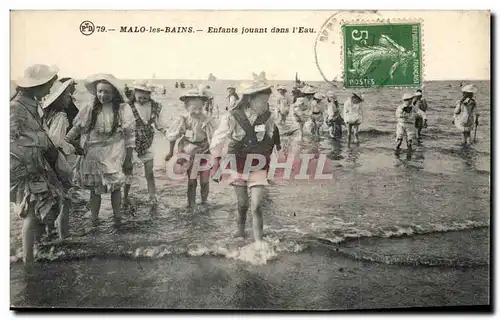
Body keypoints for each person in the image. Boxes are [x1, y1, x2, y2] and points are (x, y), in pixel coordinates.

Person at [11, 64, 71, 263]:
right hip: (26, 168)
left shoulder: (30, 103)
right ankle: (28, 260)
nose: (50, 89)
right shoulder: (16, 107)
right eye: (49, 84)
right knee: (32, 212)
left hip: (36, 164)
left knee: (42, 206)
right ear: (37, 86)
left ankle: (35, 249)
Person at [210, 81, 281, 242]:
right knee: (243, 204)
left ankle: (258, 242)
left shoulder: (268, 117)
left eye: (267, 101)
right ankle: (240, 230)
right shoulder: (232, 116)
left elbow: (270, 139)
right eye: (262, 101)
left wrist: (272, 163)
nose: (265, 105)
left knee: (256, 205)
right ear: (250, 100)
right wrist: (216, 165)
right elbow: (217, 140)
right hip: (238, 164)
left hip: (258, 165)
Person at [66, 74, 135, 225]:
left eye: (107, 92)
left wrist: (128, 159)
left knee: (115, 186)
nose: (103, 95)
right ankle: (94, 218)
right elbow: (76, 128)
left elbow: (130, 137)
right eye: (100, 92)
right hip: (94, 154)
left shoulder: (123, 109)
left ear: (115, 93)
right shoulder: (90, 108)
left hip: (114, 153)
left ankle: (117, 217)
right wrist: (66, 141)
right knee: (95, 189)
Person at [41, 79, 83, 239]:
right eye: (66, 96)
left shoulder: (47, 115)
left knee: (51, 200)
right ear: (58, 99)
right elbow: (56, 142)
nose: (69, 98)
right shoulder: (61, 116)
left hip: (45, 163)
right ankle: (64, 235)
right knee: (65, 200)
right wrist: (72, 147)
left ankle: (48, 233)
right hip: (57, 162)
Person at [165, 85, 216, 209]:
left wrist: (216, 155)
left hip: (205, 151)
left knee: (204, 181)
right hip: (189, 152)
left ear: (204, 106)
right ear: (187, 107)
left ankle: (204, 202)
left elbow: (214, 137)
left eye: (200, 108)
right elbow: (173, 136)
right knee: (192, 181)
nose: (197, 112)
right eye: (194, 108)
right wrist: (170, 152)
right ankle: (191, 205)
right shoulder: (184, 120)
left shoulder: (207, 120)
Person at [123, 80, 168, 212]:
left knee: (149, 172)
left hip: (147, 142)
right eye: (139, 97)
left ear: (149, 95)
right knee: (129, 172)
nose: (142, 100)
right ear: (134, 93)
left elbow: (160, 125)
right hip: (131, 143)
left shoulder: (154, 107)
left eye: (145, 97)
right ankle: (125, 196)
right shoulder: (128, 107)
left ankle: (152, 196)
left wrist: (167, 132)